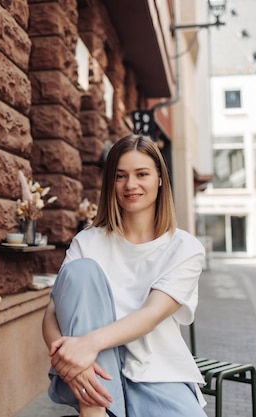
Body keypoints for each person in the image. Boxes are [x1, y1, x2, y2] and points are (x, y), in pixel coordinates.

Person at [42, 134, 207, 417]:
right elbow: (50, 316)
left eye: (141, 174)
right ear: (111, 183)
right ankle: (93, 412)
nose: (131, 185)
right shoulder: (88, 241)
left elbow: (151, 314)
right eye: (120, 176)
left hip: (156, 370)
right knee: (82, 272)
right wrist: (71, 361)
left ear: (159, 179)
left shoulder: (184, 248)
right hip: (91, 371)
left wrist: (86, 345)